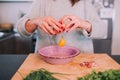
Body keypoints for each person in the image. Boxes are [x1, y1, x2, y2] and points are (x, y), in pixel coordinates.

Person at [16, 0, 107, 53]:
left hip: (81, 64)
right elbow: (20, 29)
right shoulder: (42, 2)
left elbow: (103, 31)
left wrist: (84, 24)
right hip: (45, 65)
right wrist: (35, 21)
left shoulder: (85, 3)